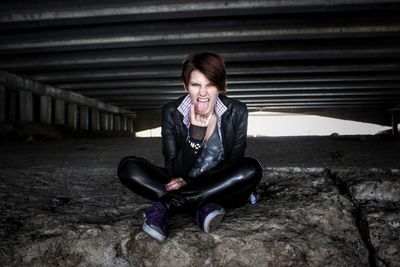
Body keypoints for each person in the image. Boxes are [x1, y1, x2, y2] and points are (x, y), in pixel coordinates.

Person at [118, 52, 262, 242]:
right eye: (195, 85)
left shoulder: (237, 111)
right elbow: (173, 169)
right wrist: (196, 134)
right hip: (184, 181)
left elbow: (233, 163)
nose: (203, 93)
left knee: (250, 168)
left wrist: (192, 184)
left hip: (219, 186)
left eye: (210, 84)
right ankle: (202, 206)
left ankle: (167, 206)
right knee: (129, 167)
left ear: (220, 85)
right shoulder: (171, 112)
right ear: (185, 85)